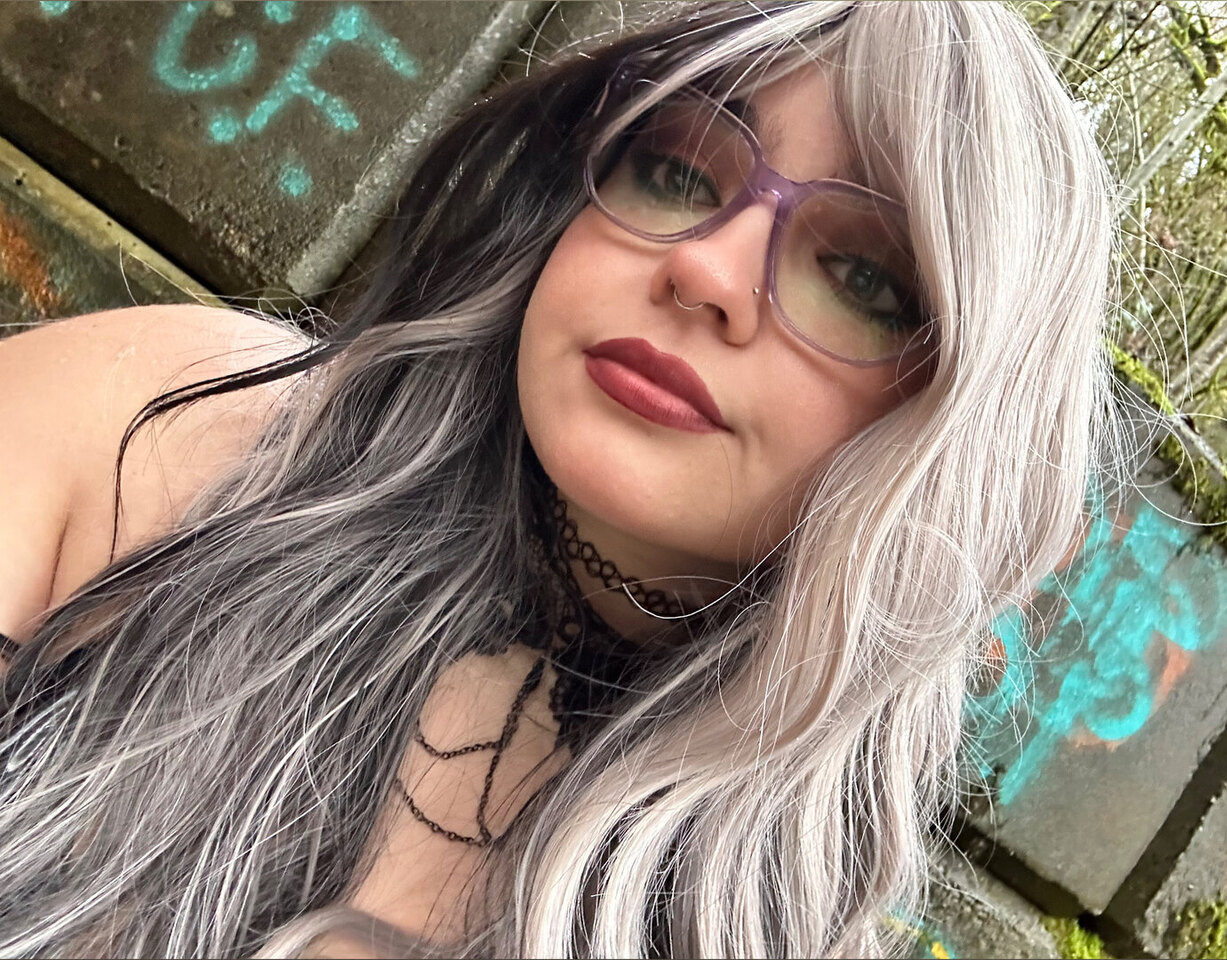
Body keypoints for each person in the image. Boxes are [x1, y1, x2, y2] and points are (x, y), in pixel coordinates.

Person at [0, 1, 1124, 957]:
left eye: (862, 276)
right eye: (677, 169)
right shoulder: (167, 427)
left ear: (957, 437)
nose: (704, 266)